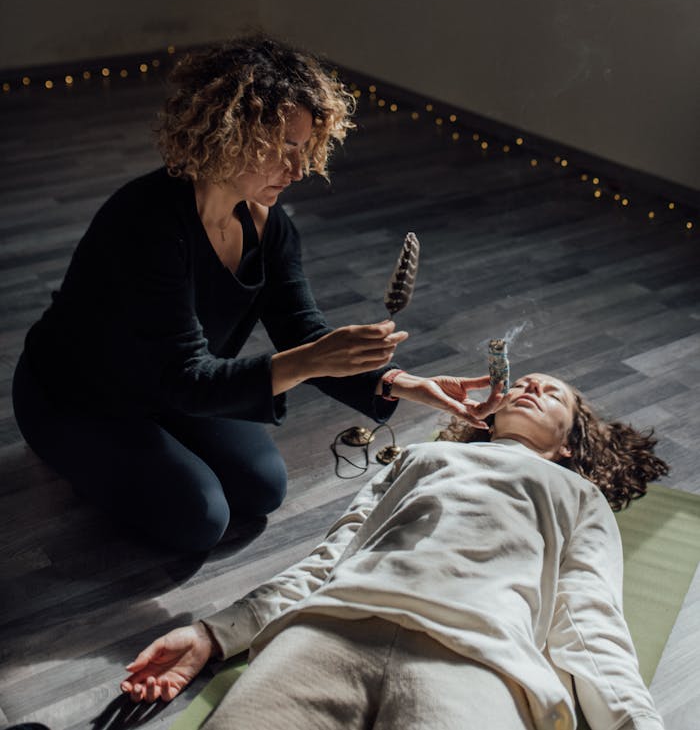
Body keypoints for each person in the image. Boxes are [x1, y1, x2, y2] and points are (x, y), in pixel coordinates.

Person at [12, 34, 490, 554]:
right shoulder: (146, 223)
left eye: (305, 148)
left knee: (263, 487)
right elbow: (191, 376)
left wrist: (399, 382)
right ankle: (78, 455)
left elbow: (302, 329)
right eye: (285, 147)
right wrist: (308, 361)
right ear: (230, 132)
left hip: (174, 385)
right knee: (199, 517)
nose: (299, 169)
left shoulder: (270, 226)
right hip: (78, 395)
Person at [120, 373, 669, 730]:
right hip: (333, 630)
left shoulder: (578, 494)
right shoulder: (424, 460)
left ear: (569, 442)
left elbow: (589, 616)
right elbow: (331, 556)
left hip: (477, 658)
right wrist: (212, 634)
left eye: (550, 393)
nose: (529, 387)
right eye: (524, 381)